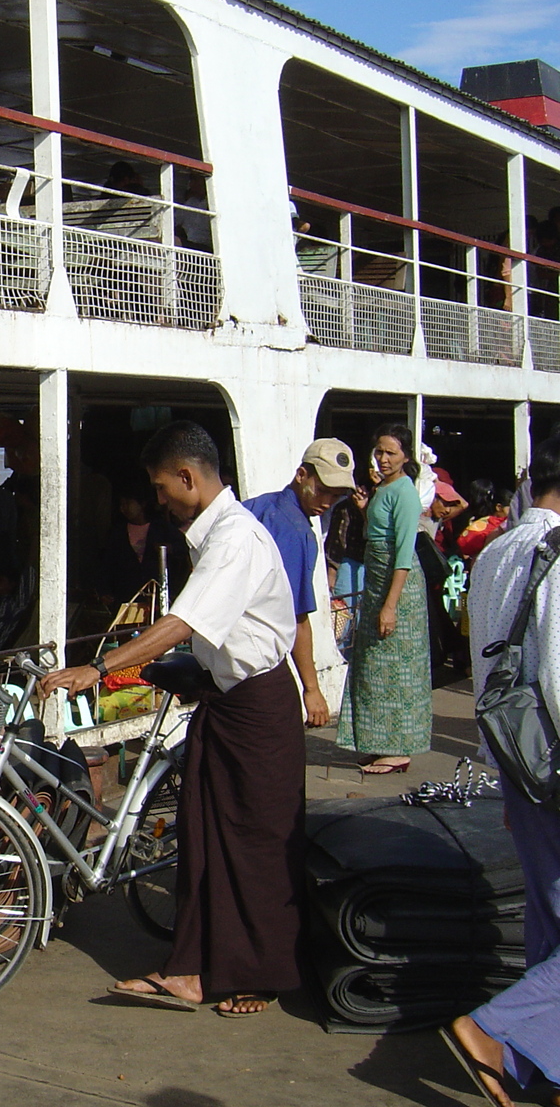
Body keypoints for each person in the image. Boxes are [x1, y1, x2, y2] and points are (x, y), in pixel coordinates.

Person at [42, 421, 303, 1018]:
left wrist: (99, 668)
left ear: (188, 477)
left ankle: (256, 973)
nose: (159, 500)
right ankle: (188, 969)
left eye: (162, 488)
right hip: (225, 700)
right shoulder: (211, 535)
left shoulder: (235, 539)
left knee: (256, 844)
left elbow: (182, 623)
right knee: (206, 834)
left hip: (259, 707)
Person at [446, 435, 560, 1106]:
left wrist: (499, 764)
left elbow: (491, 667)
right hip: (553, 762)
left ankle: (538, 1069)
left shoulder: (497, 551)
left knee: (548, 923)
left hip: (517, 760)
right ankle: (498, 1032)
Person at [243, 439, 357, 729]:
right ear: (301, 474)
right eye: (322, 491)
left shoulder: (254, 506)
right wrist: (312, 689)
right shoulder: (297, 533)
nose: (327, 503)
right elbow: (297, 619)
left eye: (336, 496)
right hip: (258, 659)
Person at [340, 423, 433, 776]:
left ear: (406, 456)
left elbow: (403, 554)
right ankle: (380, 743)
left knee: (397, 669)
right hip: (377, 582)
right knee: (373, 665)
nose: (383, 458)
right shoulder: (383, 488)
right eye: (379, 451)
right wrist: (366, 508)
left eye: (391, 452)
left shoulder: (405, 493)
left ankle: (398, 750)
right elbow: (378, 532)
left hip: (398, 589)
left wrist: (390, 606)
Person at [96, 484, 189, 607]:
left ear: (142, 504)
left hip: (157, 600)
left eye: (128, 503)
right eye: (121, 504)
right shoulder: (117, 532)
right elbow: (106, 564)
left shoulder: (163, 529)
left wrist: (169, 549)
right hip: (125, 600)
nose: (124, 508)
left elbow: (184, 551)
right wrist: (104, 591)